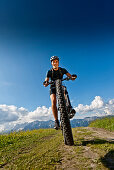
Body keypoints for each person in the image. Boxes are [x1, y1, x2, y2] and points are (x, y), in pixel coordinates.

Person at [43, 56, 77, 129]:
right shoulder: (49, 71)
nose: (55, 63)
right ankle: (56, 121)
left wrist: (72, 77)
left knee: (64, 92)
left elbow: (70, 76)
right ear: (51, 63)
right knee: (53, 101)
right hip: (53, 87)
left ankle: (69, 108)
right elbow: (47, 79)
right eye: (53, 62)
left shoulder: (62, 70)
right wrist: (46, 82)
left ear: (58, 62)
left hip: (60, 86)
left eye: (56, 61)